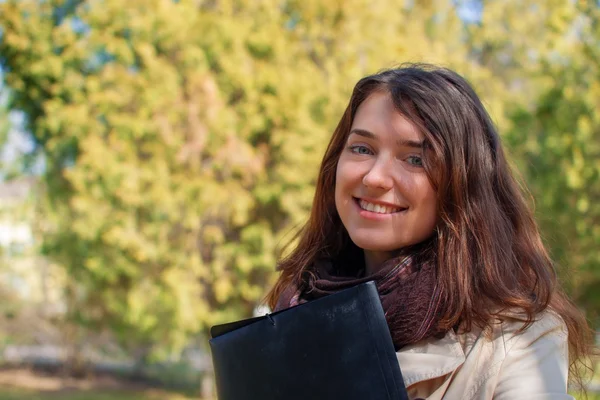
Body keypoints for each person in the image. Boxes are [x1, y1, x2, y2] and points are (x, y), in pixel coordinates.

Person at [266, 64, 594, 399]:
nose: (375, 177)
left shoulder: (517, 342)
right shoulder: (291, 311)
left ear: (463, 186)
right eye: (362, 149)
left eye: (415, 159)